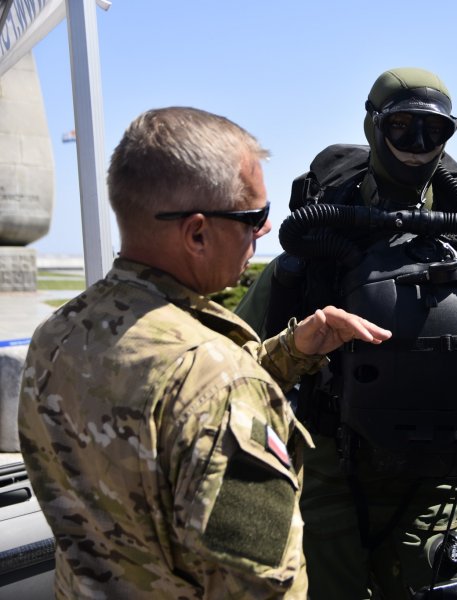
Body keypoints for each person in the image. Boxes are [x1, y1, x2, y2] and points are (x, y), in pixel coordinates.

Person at [17, 107, 391, 599]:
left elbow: (167, 405)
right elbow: (260, 588)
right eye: (253, 218)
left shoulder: (57, 335)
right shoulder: (223, 386)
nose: (264, 231)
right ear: (196, 233)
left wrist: (292, 351)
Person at [235, 67, 457, 600]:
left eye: (435, 131)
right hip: (329, 487)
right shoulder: (316, 250)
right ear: (375, 126)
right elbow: (234, 370)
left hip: (435, 494)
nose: (419, 146)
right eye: (404, 128)